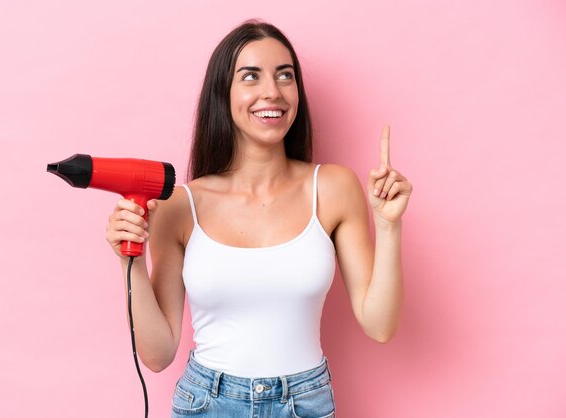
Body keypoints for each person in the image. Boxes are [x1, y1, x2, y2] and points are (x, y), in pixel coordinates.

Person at [105, 19, 412, 417]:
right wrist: (128, 261)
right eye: (250, 76)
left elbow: (380, 325)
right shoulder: (181, 205)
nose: (273, 92)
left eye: (285, 76)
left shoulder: (333, 188)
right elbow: (159, 353)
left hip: (303, 403)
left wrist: (389, 226)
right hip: (207, 403)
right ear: (224, 93)